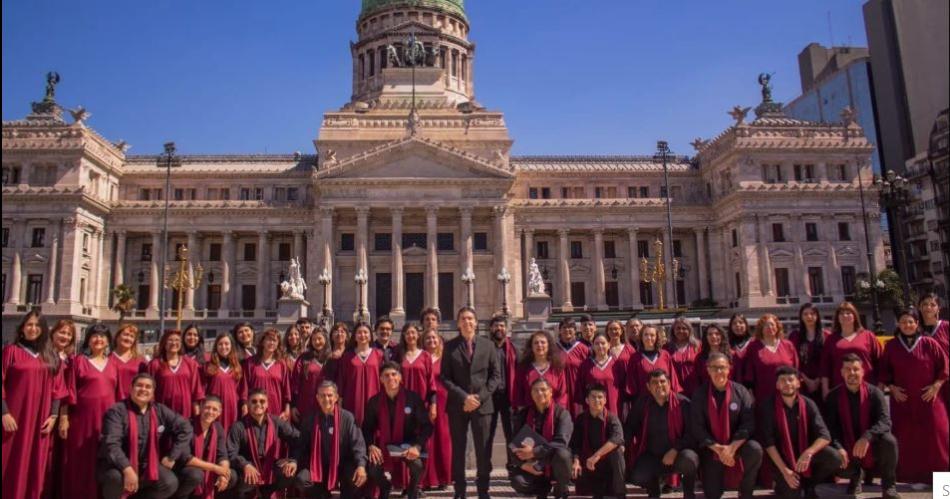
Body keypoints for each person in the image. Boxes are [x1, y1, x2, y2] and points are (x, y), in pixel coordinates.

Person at [878, 307, 949, 484]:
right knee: (909, 441)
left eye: (911, 321)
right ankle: (915, 480)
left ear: (917, 324)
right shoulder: (891, 346)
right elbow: (884, 373)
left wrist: (936, 386)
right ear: (898, 324)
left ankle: (943, 488)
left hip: (930, 400)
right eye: (903, 322)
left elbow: (945, 368)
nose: (907, 325)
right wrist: (892, 388)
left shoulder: (929, 343)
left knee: (938, 441)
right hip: (903, 402)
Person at [2, 311, 67, 499]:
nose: (33, 329)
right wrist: (4, 413)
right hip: (14, 418)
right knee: (10, 461)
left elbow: (58, 388)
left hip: (41, 420)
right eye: (29, 325)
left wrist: (54, 416)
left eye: (37, 325)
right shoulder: (11, 352)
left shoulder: (50, 356)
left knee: (35, 464)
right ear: (22, 328)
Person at [97, 373, 193, 499]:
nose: (143, 389)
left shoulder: (159, 410)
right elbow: (111, 444)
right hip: (118, 466)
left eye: (148, 387)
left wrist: (172, 456)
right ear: (131, 388)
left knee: (169, 483)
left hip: (147, 465)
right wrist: (127, 469)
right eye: (139, 385)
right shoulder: (116, 411)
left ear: (153, 392)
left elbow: (185, 427)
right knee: (114, 478)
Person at [439, 306, 501, 499]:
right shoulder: (449, 347)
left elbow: (495, 376)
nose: (467, 322)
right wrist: (464, 397)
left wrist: (478, 398)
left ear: (476, 322)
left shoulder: (488, 346)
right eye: (463, 319)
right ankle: (460, 492)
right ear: (458, 323)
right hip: (458, 405)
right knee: (458, 450)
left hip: (483, 406)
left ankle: (483, 491)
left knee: (483, 451)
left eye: (470, 319)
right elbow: (444, 377)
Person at [824, 354, 899, 499]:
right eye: (848, 369)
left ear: (863, 371)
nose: (852, 373)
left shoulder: (875, 393)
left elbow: (885, 421)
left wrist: (867, 436)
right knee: (831, 454)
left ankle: (889, 486)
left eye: (855, 369)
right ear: (841, 372)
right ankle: (855, 476)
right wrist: (838, 447)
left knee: (890, 441)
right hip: (846, 445)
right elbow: (830, 429)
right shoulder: (833, 397)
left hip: (871, 444)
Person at [761, 366, 842, 499]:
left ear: (798, 382)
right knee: (791, 494)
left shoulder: (808, 404)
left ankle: (809, 484)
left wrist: (809, 452)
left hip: (804, 457)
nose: (787, 383)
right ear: (777, 385)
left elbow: (825, 436)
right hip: (781, 460)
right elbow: (768, 443)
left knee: (834, 457)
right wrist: (785, 471)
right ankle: (783, 484)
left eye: (791, 380)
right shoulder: (768, 406)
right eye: (783, 380)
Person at [690, 352, 762, 499]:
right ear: (708, 369)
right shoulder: (699, 394)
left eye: (722, 367)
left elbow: (748, 423)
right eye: (714, 368)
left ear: (729, 369)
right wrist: (718, 448)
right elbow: (697, 428)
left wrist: (731, 448)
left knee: (755, 449)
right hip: (711, 448)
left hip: (737, 445)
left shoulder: (740, 391)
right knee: (712, 495)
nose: (719, 371)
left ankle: (745, 490)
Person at [61, 323, 120, 499]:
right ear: (88, 340)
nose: (98, 339)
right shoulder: (79, 361)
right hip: (82, 420)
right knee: (81, 460)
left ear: (108, 341)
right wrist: (64, 417)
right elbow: (69, 391)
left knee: (103, 460)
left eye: (102, 336)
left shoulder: (113, 364)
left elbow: (118, 394)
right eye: (95, 336)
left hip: (107, 421)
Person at [362, 362, 433, 499]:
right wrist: (371, 445)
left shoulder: (413, 398)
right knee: (372, 468)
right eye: (386, 375)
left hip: (408, 444)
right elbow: (367, 428)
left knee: (418, 466)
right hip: (384, 444)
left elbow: (427, 426)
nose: (390, 378)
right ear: (381, 379)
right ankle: (385, 486)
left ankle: (412, 491)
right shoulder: (374, 402)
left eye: (394, 374)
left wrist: (417, 447)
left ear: (400, 377)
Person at [627, 369, 698, 499]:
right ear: (648, 387)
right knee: (637, 476)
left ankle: (689, 494)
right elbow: (630, 427)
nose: (659, 385)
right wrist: (622, 445)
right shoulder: (642, 404)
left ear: (670, 383)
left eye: (662, 381)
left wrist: (675, 450)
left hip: (678, 456)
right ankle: (654, 492)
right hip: (653, 456)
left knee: (690, 459)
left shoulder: (683, 403)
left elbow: (692, 433)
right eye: (654, 382)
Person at [292, 381, 369, 499]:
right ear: (317, 398)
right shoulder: (310, 419)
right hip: (318, 465)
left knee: (355, 476)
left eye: (329, 395)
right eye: (322, 395)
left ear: (336, 397)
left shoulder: (347, 417)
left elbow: (358, 444)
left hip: (343, 464)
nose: (326, 399)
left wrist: (361, 466)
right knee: (302, 480)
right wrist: (294, 461)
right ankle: (322, 494)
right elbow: (301, 446)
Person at [227, 389, 300, 498]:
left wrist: (293, 461)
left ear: (267, 404)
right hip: (248, 469)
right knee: (243, 478)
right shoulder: (238, 426)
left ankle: (267, 492)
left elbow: (297, 438)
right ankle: (245, 494)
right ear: (247, 404)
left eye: (262, 401)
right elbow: (231, 453)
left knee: (289, 473)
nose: (258, 404)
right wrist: (245, 464)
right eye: (254, 401)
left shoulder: (276, 422)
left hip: (269, 467)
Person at [509, 378, 573, 499]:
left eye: (543, 390)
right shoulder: (523, 414)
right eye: (535, 391)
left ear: (551, 392)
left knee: (563, 455)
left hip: (554, 464)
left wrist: (534, 452)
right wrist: (522, 465)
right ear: (531, 394)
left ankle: (560, 488)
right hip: (534, 464)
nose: (539, 393)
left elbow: (560, 443)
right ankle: (542, 490)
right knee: (518, 481)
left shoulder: (562, 414)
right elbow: (513, 445)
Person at [569, 384, 625, 499]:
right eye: (593, 397)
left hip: (607, 465)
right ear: (587, 400)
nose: (597, 400)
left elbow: (617, 438)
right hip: (589, 465)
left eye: (600, 397)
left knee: (618, 451)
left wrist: (597, 455)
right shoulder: (581, 419)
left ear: (605, 400)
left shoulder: (611, 418)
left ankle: (620, 493)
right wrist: (576, 461)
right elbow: (575, 444)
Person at [175, 397, 235, 499]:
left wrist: (223, 473)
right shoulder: (187, 425)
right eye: (207, 408)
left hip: (206, 469)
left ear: (219, 412)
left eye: (215, 409)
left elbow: (222, 455)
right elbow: (185, 458)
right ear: (201, 408)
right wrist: (216, 468)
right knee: (196, 475)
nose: (210, 412)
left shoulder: (218, 427)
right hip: (183, 469)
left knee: (231, 475)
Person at [820, 302, 882, 398]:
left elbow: (880, 362)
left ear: (855, 316)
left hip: (867, 388)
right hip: (839, 389)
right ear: (837, 318)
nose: (845, 315)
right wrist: (825, 389)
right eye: (841, 313)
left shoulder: (868, 336)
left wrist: (880, 386)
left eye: (848, 313)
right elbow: (825, 367)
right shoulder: (831, 339)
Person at [148, 330, 205, 418]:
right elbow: (150, 391)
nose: (174, 343)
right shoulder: (155, 364)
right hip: (162, 412)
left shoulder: (190, 364)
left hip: (185, 412)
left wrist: (197, 416)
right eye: (170, 340)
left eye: (177, 340)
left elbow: (196, 392)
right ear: (164, 343)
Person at [336, 322, 384, 425]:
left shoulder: (379, 355)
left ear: (371, 336)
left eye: (365, 332)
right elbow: (341, 379)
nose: (362, 335)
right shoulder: (347, 356)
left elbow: (383, 378)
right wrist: (339, 401)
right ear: (355, 336)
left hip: (374, 398)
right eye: (359, 333)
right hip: (352, 399)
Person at [421, 330, 452, 490]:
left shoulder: (446, 359)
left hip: (444, 403)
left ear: (440, 340)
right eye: (428, 338)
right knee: (428, 441)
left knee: (443, 440)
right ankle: (426, 479)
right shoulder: (422, 358)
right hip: (427, 402)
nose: (431, 340)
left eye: (434, 338)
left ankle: (443, 478)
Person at [743, 314, 798, 402]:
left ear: (777, 327)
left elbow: (796, 370)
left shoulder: (788, 345)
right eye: (766, 325)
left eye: (772, 324)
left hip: (787, 395)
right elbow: (749, 374)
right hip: (764, 396)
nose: (770, 327)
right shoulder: (753, 347)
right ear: (761, 328)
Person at [241, 328, 291, 420]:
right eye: (269, 339)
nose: (271, 343)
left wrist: (287, 408)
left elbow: (286, 389)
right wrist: (244, 404)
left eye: (274, 340)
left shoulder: (281, 364)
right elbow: (245, 386)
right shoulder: (250, 362)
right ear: (262, 341)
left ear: (278, 344)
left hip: (276, 407)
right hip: (255, 406)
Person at [514, 331, 569, 410]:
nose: (539, 345)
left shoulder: (557, 367)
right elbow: (518, 392)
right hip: (529, 414)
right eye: (536, 343)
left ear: (548, 345)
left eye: (543, 342)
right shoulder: (523, 368)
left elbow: (562, 393)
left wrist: (557, 412)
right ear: (531, 347)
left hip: (553, 413)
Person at [488, 315, 518, 457]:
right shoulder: (484, 349)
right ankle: (484, 470)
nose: (499, 329)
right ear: (490, 329)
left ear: (506, 329)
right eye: (496, 326)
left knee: (511, 434)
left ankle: (512, 467)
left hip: (509, 396)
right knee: (487, 435)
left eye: (502, 326)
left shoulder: (514, 349)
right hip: (490, 397)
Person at [203, 333, 245, 432]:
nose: (223, 347)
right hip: (213, 407)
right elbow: (203, 388)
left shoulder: (237, 367)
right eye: (220, 344)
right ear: (216, 346)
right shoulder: (208, 366)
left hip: (232, 406)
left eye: (227, 344)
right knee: (214, 432)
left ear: (231, 346)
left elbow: (241, 388)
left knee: (230, 432)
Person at [576, 334, 626, 416]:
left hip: (613, 407)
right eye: (597, 343)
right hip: (592, 409)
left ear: (609, 345)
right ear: (592, 346)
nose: (600, 346)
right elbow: (580, 390)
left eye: (603, 343)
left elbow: (623, 388)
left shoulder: (617, 364)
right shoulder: (585, 365)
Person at [627, 325, 681, 399]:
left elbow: (673, 378)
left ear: (656, 337)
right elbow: (631, 383)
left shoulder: (665, 355)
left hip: (665, 399)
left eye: (652, 335)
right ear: (641, 337)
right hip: (645, 401)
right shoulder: (635, 358)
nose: (649, 338)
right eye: (646, 335)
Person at [788, 304, 830, 399]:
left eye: (812, 313)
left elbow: (828, 361)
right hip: (801, 383)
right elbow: (792, 361)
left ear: (817, 316)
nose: (809, 317)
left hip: (823, 383)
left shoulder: (827, 336)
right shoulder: (794, 336)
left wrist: (818, 380)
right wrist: (806, 380)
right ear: (801, 317)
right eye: (805, 314)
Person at [396, 323, 436, 421]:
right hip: (403, 402)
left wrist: (433, 405)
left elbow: (431, 382)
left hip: (422, 402)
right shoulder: (399, 355)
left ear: (418, 335)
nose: (410, 336)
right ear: (404, 336)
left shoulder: (425, 356)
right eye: (407, 333)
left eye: (413, 333)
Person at [291, 327, 330, 423]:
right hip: (306, 404)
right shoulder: (304, 358)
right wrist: (293, 405)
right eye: (314, 339)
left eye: (319, 339)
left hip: (327, 403)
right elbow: (295, 382)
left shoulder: (331, 358)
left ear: (325, 339)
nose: (317, 342)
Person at [918, 293, 949, 411]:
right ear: (919, 307)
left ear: (938, 308)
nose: (928, 307)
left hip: (946, 380)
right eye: (925, 304)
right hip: (927, 385)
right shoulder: (915, 332)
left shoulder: (946, 327)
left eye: (933, 304)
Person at [555, 317, 590, 416]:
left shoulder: (583, 349)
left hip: (578, 393)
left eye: (570, 327)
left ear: (575, 330)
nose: (567, 330)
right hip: (559, 393)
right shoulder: (553, 349)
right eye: (564, 327)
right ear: (560, 330)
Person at [667, 317, 702, 395]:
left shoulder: (697, 346)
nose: (681, 331)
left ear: (689, 330)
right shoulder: (667, 347)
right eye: (678, 328)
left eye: (684, 328)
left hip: (696, 388)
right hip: (674, 389)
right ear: (673, 330)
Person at [113, 323, 148, 400]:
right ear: (117, 337)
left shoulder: (141, 360)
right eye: (125, 334)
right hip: (112, 403)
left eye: (132, 336)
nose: (128, 338)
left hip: (134, 403)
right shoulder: (107, 359)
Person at [726, 313, 753, 385]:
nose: (738, 325)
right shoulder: (726, 344)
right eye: (734, 323)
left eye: (741, 322)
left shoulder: (754, 343)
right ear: (731, 327)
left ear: (746, 325)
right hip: (733, 384)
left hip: (753, 386)